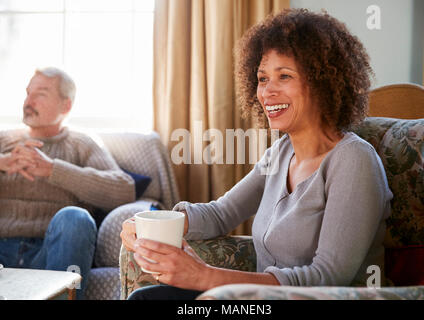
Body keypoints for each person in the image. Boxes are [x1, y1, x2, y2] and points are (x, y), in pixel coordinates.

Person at [120, 8, 393, 300]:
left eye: (284, 76)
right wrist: (150, 223)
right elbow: (222, 214)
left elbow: (326, 276)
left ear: (322, 82)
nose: (267, 92)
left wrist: (204, 276)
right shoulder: (280, 152)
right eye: (262, 79)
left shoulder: (354, 160)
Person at [0, 67, 136, 299]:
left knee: (76, 217)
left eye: (40, 94)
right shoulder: (4, 141)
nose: (28, 101)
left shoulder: (81, 144)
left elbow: (124, 189)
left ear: (66, 106)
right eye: (27, 93)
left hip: (52, 253)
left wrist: (53, 169)